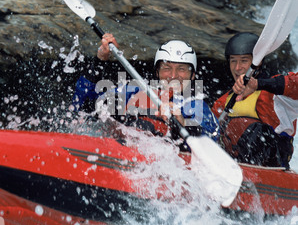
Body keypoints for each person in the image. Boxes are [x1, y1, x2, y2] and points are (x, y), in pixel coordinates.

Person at [73, 33, 220, 146]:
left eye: (181, 69)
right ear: (157, 72)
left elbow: (212, 138)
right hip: (120, 149)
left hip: (162, 165)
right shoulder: (134, 90)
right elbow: (83, 106)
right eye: (166, 68)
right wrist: (100, 61)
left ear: (192, 75)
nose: (173, 76)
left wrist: (182, 123)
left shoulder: (197, 106)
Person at [212, 32, 298, 168]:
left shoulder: (276, 95)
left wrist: (258, 84)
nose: (237, 67)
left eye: (244, 61)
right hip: (232, 167)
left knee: (259, 132)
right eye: (233, 61)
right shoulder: (223, 101)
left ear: (258, 62)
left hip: (271, 166)